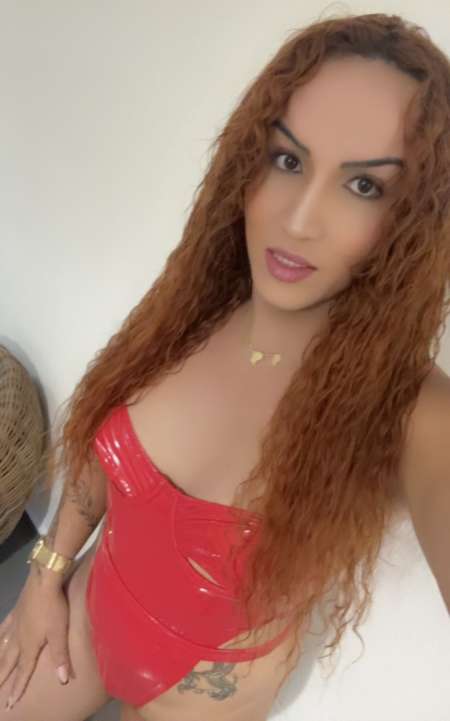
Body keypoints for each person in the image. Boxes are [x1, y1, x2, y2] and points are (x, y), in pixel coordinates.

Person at [1, 10, 450, 721]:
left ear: (414, 220)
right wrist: (45, 575)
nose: (298, 219)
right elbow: (102, 455)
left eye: (365, 186)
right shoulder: (197, 303)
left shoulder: (409, 410)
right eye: (288, 160)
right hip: (86, 612)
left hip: (196, 697)